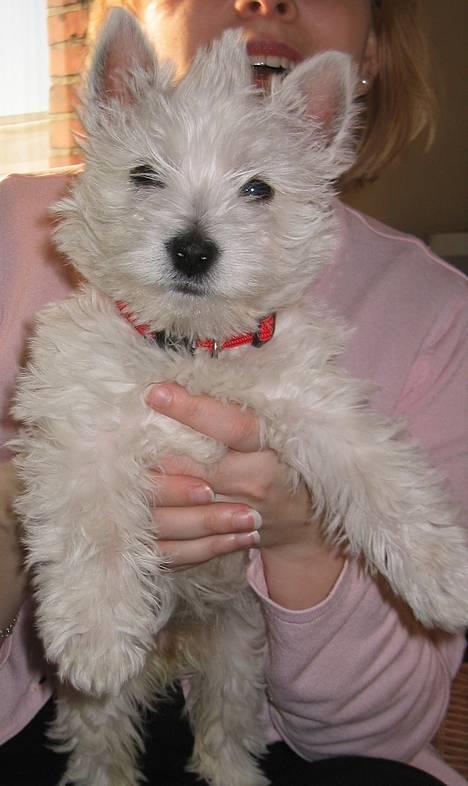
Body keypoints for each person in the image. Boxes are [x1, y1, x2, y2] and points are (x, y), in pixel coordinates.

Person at [0, 1, 466, 785]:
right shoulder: (60, 305)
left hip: (285, 705)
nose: (195, 231)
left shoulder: (423, 317)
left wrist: (310, 541)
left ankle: (229, 754)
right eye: (149, 175)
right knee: (94, 718)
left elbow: (347, 444)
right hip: (39, 688)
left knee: (253, 694)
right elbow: (80, 466)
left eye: (254, 189)